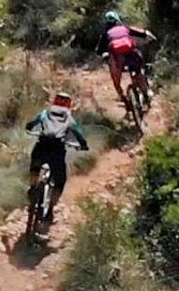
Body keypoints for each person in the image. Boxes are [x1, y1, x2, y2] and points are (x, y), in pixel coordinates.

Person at [25, 90, 90, 223]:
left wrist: (29, 128)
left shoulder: (45, 113)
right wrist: (83, 145)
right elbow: (77, 132)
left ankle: (32, 188)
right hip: (57, 150)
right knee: (60, 181)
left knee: (35, 167)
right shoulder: (68, 117)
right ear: (69, 104)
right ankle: (49, 210)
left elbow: (31, 124)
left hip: (42, 145)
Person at [98, 11, 158, 106]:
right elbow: (143, 33)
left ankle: (122, 96)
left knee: (116, 78)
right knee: (138, 71)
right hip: (131, 53)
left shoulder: (105, 34)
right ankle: (146, 93)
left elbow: (99, 51)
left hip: (117, 59)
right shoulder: (124, 28)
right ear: (118, 20)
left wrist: (105, 55)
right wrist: (151, 38)